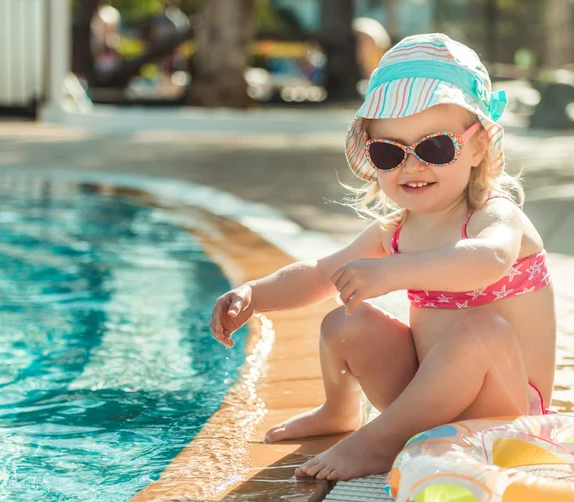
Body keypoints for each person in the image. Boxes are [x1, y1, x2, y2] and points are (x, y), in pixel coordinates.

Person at [209, 33, 557, 481]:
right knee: (345, 320)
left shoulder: (494, 217)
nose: (412, 165)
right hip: (424, 404)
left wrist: (392, 272)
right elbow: (318, 274)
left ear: (477, 147)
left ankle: (382, 441)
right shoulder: (396, 232)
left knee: (481, 330)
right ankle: (340, 412)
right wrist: (254, 294)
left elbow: (486, 260)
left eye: (435, 147)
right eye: (389, 151)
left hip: (504, 412)